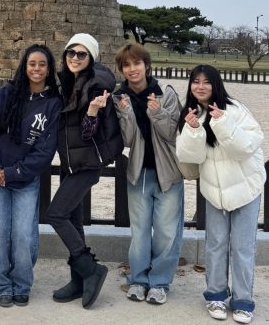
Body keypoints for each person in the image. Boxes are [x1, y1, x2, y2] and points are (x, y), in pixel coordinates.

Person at [176, 65, 266, 324]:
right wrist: (192, 130)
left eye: (206, 82)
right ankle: (215, 294)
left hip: (245, 188)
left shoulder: (234, 109)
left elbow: (247, 147)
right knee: (215, 244)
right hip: (215, 190)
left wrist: (223, 122)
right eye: (195, 81)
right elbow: (190, 158)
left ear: (216, 85)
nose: (200, 86)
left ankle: (243, 300)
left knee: (242, 246)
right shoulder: (190, 112)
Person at [0, 44, 61, 308]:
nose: (36, 69)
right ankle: (1, 284)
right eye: (32, 63)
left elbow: (45, 150)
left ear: (49, 69)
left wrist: (14, 172)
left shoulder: (52, 104)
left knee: (24, 234)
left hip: (24, 179)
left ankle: (22, 283)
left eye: (42, 64)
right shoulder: (6, 94)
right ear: (25, 66)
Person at [46, 33, 123, 309]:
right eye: (71, 53)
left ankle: (91, 270)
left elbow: (90, 133)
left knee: (55, 214)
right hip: (70, 162)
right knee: (74, 222)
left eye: (82, 54)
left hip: (86, 163)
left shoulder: (95, 86)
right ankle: (78, 282)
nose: (75, 58)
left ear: (91, 58)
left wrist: (91, 111)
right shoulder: (67, 82)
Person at [112, 43, 183, 305]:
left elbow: (173, 134)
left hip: (168, 172)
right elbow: (127, 140)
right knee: (140, 231)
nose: (132, 69)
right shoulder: (120, 98)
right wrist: (127, 111)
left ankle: (160, 282)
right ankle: (139, 279)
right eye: (127, 65)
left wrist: (157, 112)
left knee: (166, 231)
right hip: (139, 171)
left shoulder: (166, 93)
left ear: (146, 64)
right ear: (122, 69)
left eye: (137, 63)